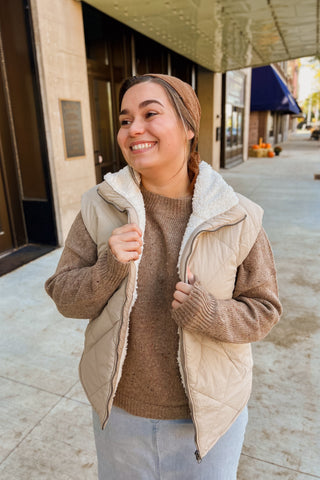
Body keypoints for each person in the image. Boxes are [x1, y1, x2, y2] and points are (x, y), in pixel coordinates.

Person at [45, 74, 282, 479]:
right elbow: (65, 297)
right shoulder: (98, 205)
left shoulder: (238, 215)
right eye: (124, 120)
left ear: (189, 127)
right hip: (120, 416)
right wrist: (109, 268)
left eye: (150, 114)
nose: (133, 129)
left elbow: (264, 311)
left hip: (207, 421)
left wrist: (209, 313)